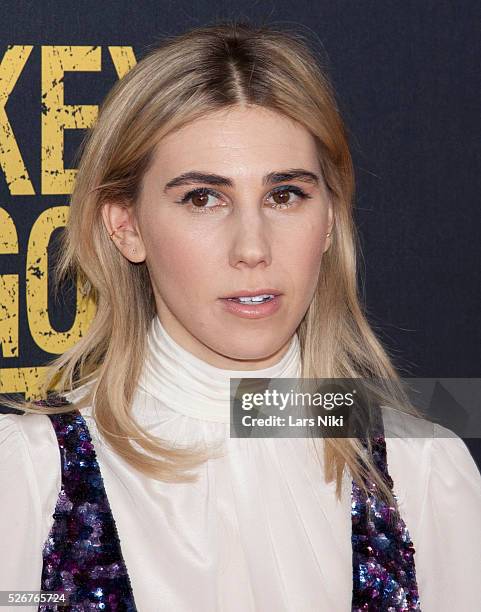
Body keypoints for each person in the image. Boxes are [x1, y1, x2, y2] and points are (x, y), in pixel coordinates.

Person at [1, 20, 480, 612]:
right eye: (203, 198)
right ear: (125, 226)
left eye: (285, 196)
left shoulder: (422, 470)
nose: (252, 248)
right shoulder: (28, 478)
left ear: (329, 220)